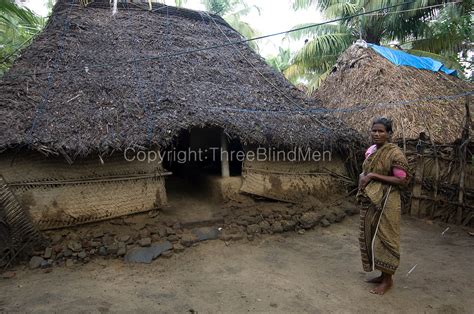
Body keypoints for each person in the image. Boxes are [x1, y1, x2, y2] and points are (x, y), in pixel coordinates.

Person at [357, 117, 409, 295]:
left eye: (381, 131)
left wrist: (372, 176)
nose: (377, 134)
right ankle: (381, 275)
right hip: (372, 199)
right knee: (372, 237)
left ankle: (388, 280)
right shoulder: (371, 150)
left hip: (388, 201)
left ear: (389, 134)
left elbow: (401, 179)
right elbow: (365, 169)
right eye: (374, 131)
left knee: (387, 238)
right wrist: (363, 177)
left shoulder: (394, 153)